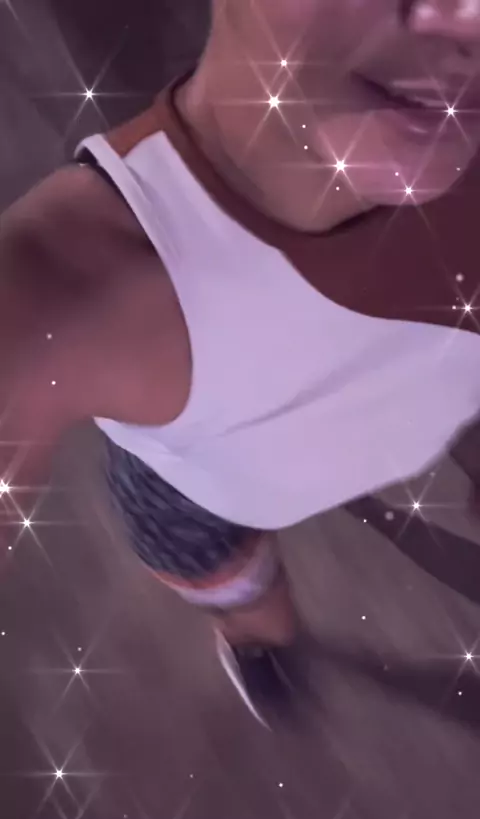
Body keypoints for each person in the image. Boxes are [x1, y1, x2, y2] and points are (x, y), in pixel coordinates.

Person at [2, 0, 480, 729]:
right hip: (201, 494)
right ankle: (257, 636)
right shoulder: (68, 289)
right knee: (230, 581)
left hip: (393, 423)